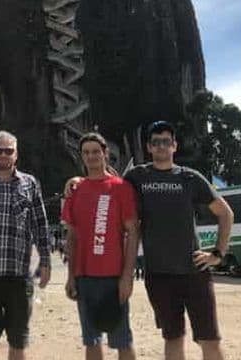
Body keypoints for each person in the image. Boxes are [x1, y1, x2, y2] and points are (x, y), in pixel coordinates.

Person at [125, 121, 234, 360]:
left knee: (210, 339)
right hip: (159, 275)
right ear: (148, 147)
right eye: (156, 142)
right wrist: (76, 183)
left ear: (174, 146)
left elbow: (226, 213)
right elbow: (109, 185)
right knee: (173, 338)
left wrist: (217, 254)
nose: (161, 146)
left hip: (194, 272)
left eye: (166, 141)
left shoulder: (190, 178)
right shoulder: (137, 177)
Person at [0, 130, 52, 360]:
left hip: (20, 276)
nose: (4, 155)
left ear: (16, 155)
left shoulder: (29, 184)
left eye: (9, 151)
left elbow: (40, 225)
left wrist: (46, 262)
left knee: (18, 342)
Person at [62, 132, 139, 360]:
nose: (91, 156)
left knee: (122, 340)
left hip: (113, 277)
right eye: (86, 152)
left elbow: (133, 232)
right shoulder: (75, 191)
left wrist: (127, 277)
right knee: (91, 340)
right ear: (81, 156)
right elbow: (72, 237)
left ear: (105, 153)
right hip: (85, 277)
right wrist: (70, 276)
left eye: (96, 151)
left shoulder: (121, 188)